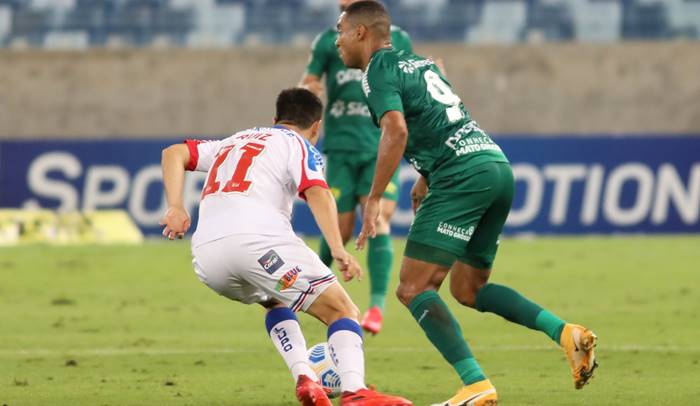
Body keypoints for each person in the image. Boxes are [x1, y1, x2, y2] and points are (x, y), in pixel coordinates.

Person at [335, 2, 598, 405]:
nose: (336, 41)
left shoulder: (377, 71)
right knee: (469, 288)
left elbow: (397, 130)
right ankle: (567, 334)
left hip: (463, 176)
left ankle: (476, 384)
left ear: (360, 33)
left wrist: (374, 198)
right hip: (494, 166)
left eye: (340, 31)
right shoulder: (420, 64)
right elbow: (441, 118)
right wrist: (425, 175)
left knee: (411, 288)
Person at [159, 88, 412, 406]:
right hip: (257, 242)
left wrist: (176, 206)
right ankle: (355, 392)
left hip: (207, 257)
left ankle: (306, 378)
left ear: (275, 119)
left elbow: (173, 152)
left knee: (275, 300)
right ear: (317, 127)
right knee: (342, 310)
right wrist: (337, 248)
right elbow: (318, 193)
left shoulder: (234, 141)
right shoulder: (299, 145)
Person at [300, 0, 413, 335]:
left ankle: (376, 307)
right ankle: (309, 286)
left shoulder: (398, 39)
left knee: (379, 217)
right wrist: (311, 88)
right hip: (341, 145)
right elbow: (309, 79)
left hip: (380, 145)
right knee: (342, 227)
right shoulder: (327, 41)